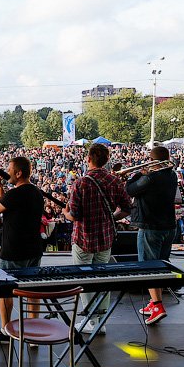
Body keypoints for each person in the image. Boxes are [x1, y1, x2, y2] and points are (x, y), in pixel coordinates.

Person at [63, 144, 132, 335]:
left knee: (84, 278)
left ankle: (90, 320)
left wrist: (64, 213)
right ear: (107, 160)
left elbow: (74, 215)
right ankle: (100, 319)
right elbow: (127, 208)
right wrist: (110, 217)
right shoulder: (114, 180)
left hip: (84, 238)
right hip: (105, 238)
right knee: (103, 277)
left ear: (88, 159)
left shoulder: (81, 183)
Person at [0, 157, 45, 345]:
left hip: (13, 249)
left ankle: (6, 331)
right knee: (33, 290)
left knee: (5, 291)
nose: (6, 172)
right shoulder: (36, 192)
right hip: (34, 249)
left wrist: (0, 195)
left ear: (18, 173)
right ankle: (33, 333)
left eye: (9, 169)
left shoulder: (13, 195)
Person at [125, 146, 178, 325]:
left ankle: (157, 305)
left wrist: (139, 174)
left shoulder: (149, 178)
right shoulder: (172, 175)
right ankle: (152, 302)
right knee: (161, 267)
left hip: (151, 227)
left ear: (153, 161)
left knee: (148, 268)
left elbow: (130, 190)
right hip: (169, 226)